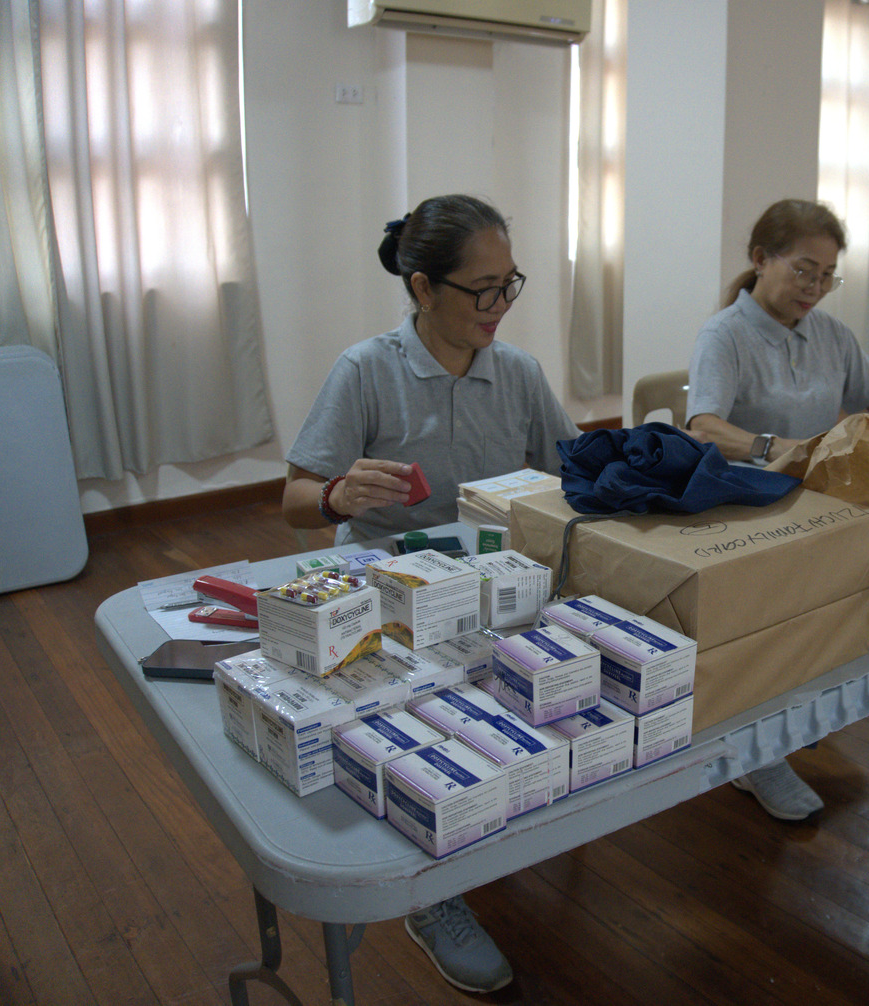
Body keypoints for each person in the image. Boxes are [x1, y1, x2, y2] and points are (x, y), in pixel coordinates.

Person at [283, 194, 580, 993]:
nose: (500, 307)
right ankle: (435, 896)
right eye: (481, 289)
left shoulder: (516, 372)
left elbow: (570, 470)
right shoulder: (367, 370)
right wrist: (337, 496)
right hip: (388, 591)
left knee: (537, 705)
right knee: (419, 740)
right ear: (422, 288)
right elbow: (294, 497)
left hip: (491, 583)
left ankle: (512, 819)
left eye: (509, 284)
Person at [685, 198, 869, 822]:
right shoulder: (726, 336)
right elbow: (703, 426)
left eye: (827, 275)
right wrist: (773, 447)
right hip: (747, 509)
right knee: (769, 633)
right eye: (804, 270)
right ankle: (757, 756)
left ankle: (792, 718)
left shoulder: (829, 333)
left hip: (816, 503)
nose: (816, 288)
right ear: (760, 259)